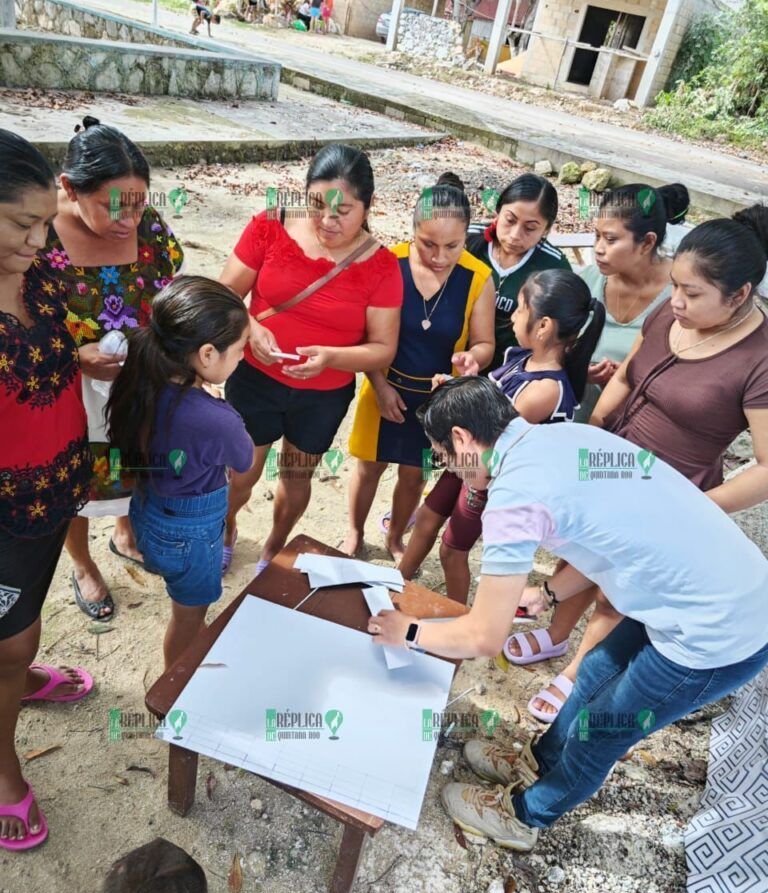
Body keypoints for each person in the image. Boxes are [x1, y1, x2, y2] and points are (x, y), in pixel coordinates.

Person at [367, 377, 768, 851]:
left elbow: (484, 637)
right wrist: (551, 593)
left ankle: (525, 816)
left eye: (445, 456)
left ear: (461, 439)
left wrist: (407, 629)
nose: (449, 467)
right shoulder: (570, 437)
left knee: (602, 730)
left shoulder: (514, 495)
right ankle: (541, 757)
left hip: (718, 633)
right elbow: (613, 535)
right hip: (711, 587)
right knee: (596, 669)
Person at [516, 207, 768, 722]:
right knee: (583, 552)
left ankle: (575, 673)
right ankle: (557, 635)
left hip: (679, 486)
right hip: (616, 459)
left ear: (739, 295)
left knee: (622, 590)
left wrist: (694, 508)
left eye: (692, 294)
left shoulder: (759, 359)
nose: (675, 301)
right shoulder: (667, 313)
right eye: (674, 286)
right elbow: (629, 375)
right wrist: (597, 428)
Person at [220, 144, 403, 574]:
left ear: (368, 206)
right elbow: (225, 293)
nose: (327, 220)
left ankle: (274, 548)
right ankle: (225, 529)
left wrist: (331, 357)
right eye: (317, 204)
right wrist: (250, 327)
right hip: (255, 377)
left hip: (322, 395)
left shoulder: (381, 266)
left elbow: (382, 347)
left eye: (344, 210)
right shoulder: (269, 226)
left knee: (295, 475)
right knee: (239, 473)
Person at [36, 117, 183, 621]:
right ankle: (81, 563)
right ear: (70, 189)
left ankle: (125, 530)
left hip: (134, 385)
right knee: (75, 480)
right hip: (63, 395)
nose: (129, 221)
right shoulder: (35, 237)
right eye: (112, 207)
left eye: (139, 206)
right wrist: (75, 359)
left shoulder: (150, 227)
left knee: (131, 464)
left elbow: (169, 294)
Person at [0, 131, 95, 852]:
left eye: (44, 221)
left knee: (24, 617)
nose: (39, 239)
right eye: (21, 224)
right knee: (8, 635)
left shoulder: (39, 267)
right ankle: (2, 776)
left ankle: (20, 671)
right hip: (5, 515)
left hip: (53, 491)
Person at [399, 270, 604, 602]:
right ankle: (395, 584)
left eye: (521, 308)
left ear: (544, 326)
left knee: (452, 551)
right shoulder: (522, 358)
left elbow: (490, 431)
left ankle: (457, 618)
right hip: (466, 463)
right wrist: (464, 382)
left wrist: (450, 401)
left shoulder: (546, 389)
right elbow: (486, 401)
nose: (512, 316)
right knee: (425, 518)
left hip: (487, 476)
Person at [343, 174, 495, 563]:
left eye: (453, 246)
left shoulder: (478, 278)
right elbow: (362, 334)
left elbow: (485, 342)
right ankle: (355, 530)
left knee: (415, 474)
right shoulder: (385, 263)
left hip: (438, 401)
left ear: (467, 237)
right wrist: (379, 386)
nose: (440, 257)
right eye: (428, 244)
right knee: (369, 466)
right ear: (412, 230)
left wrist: (474, 358)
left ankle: (396, 536)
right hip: (385, 384)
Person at [107, 277, 255, 670]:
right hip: (191, 536)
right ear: (207, 354)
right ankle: (176, 689)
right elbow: (244, 462)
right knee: (189, 617)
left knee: (183, 602)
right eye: (240, 350)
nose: (243, 357)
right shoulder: (216, 419)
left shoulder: (139, 378)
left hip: (149, 513)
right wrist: (219, 409)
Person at [574, 183, 683, 423]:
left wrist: (629, 377)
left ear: (647, 243)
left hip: (639, 429)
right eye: (597, 236)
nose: (598, 249)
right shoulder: (588, 281)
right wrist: (579, 368)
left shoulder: (681, 296)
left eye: (611, 240)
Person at [466, 174, 571, 372]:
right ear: (498, 211)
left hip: (512, 375)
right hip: (455, 359)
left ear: (546, 229)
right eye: (510, 220)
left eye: (530, 228)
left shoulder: (553, 266)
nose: (515, 235)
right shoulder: (465, 240)